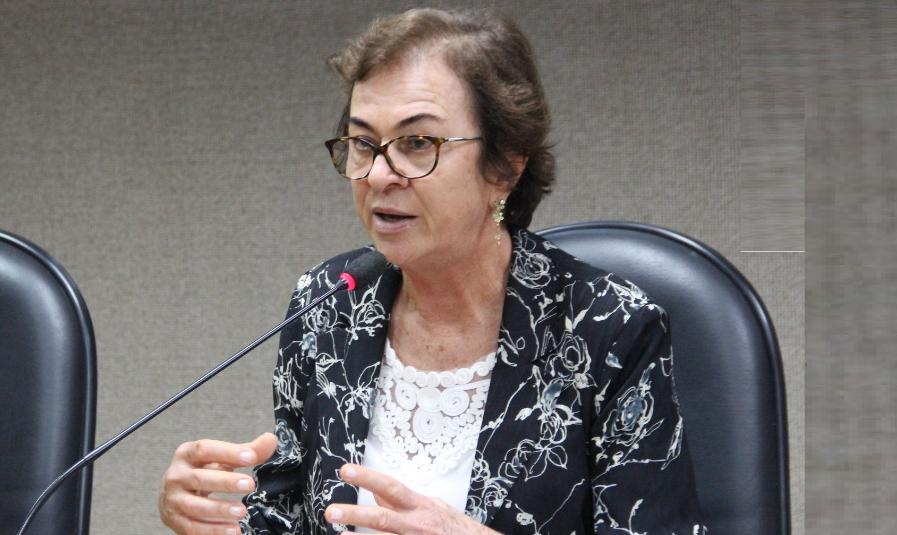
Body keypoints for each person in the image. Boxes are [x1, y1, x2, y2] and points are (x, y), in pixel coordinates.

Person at [159, 8, 707, 535]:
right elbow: (288, 519)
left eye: (418, 143)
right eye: (363, 143)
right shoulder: (329, 305)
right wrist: (215, 520)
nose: (379, 175)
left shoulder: (609, 328)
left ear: (505, 165)